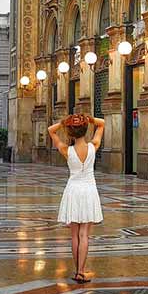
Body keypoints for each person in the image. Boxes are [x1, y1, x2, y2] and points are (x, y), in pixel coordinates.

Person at [48, 114, 104, 284]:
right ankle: (81, 271)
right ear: (86, 131)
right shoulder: (93, 146)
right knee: (84, 234)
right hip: (88, 190)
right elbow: (102, 124)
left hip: (73, 190)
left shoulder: (66, 150)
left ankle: (76, 270)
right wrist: (89, 119)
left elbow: (51, 131)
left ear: (70, 133)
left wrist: (64, 122)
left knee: (74, 235)